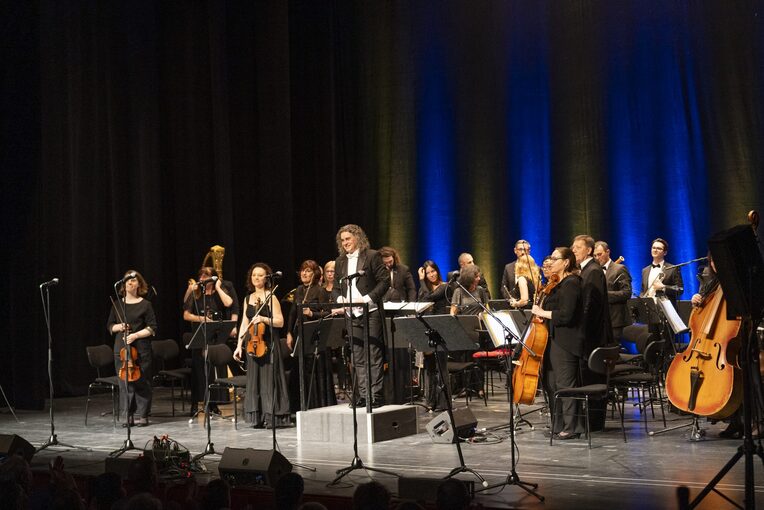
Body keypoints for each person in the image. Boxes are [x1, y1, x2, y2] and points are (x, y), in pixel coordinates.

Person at [332, 224, 390, 408]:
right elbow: (335, 288)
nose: (345, 243)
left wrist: (367, 299)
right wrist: (340, 299)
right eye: (342, 240)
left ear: (357, 238)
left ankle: (376, 395)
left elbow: (384, 281)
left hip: (370, 311)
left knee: (373, 354)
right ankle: (364, 395)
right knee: (357, 356)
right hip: (351, 314)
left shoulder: (371, 256)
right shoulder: (340, 261)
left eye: (348, 239)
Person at [532, 247, 585, 439]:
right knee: (552, 383)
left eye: (555, 259)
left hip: (566, 341)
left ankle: (572, 427)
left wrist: (542, 313)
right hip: (553, 339)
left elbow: (567, 315)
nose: (550, 262)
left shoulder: (572, 283)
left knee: (564, 383)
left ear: (566, 262)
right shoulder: (557, 284)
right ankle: (558, 424)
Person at [234, 263, 291, 428]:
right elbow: (244, 324)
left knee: (269, 380)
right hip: (252, 344)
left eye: (260, 275)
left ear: (266, 278)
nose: (256, 278)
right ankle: (258, 417)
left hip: (268, 344)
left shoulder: (271, 297)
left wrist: (264, 319)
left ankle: (272, 416)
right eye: (254, 275)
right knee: (255, 380)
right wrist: (239, 345)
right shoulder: (248, 298)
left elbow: (280, 322)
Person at [183, 266, 236, 415]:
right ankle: (195, 403)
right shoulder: (196, 294)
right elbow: (186, 315)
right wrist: (202, 319)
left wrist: (218, 287)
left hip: (214, 336)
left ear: (213, 278)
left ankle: (212, 404)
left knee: (211, 372)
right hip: (199, 335)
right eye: (201, 276)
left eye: (205, 276)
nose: (202, 279)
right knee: (198, 371)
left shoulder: (218, 294)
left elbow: (229, 303)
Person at [107, 270, 157, 427]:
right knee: (125, 383)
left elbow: (152, 327)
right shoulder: (117, 304)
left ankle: (143, 414)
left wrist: (135, 335)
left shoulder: (146, 305)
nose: (130, 282)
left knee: (142, 381)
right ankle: (128, 414)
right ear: (123, 284)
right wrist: (119, 326)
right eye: (127, 280)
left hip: (141, 349)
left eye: (134, 280)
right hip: (121, 349)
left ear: (139, 284)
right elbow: (110, 326)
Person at [286, 260, 336, 409]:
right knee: (300, 370)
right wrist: (289, 333)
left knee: (314, 371)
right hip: (299, 334)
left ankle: (316, 404)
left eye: (308, 271)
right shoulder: (299, 290)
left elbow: (328, 313)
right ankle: (298, 407)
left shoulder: (320, 291)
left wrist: (312, 314)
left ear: (315, 274)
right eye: (303, 270)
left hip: (315, 335)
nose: (304, 273)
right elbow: (292, 313)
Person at [594, 241, 633, 342]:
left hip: (615, 321)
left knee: (613, 348)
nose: (597, 258)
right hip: (599, 320)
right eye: (595, 255)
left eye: (599, 254)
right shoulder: (595, 271)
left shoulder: (620, 269)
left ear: (608, 252)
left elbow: (627, 293)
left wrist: (604, 295)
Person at [641, 237, 684, 306]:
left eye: (659, 248)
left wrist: (663, 287)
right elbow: (643, 291)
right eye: (653, 248)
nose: (655, 250)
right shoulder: (645, 270)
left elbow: (680, 289)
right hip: (648, 308)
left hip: (665, 307)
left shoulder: (672, 269)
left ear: (665, 253)